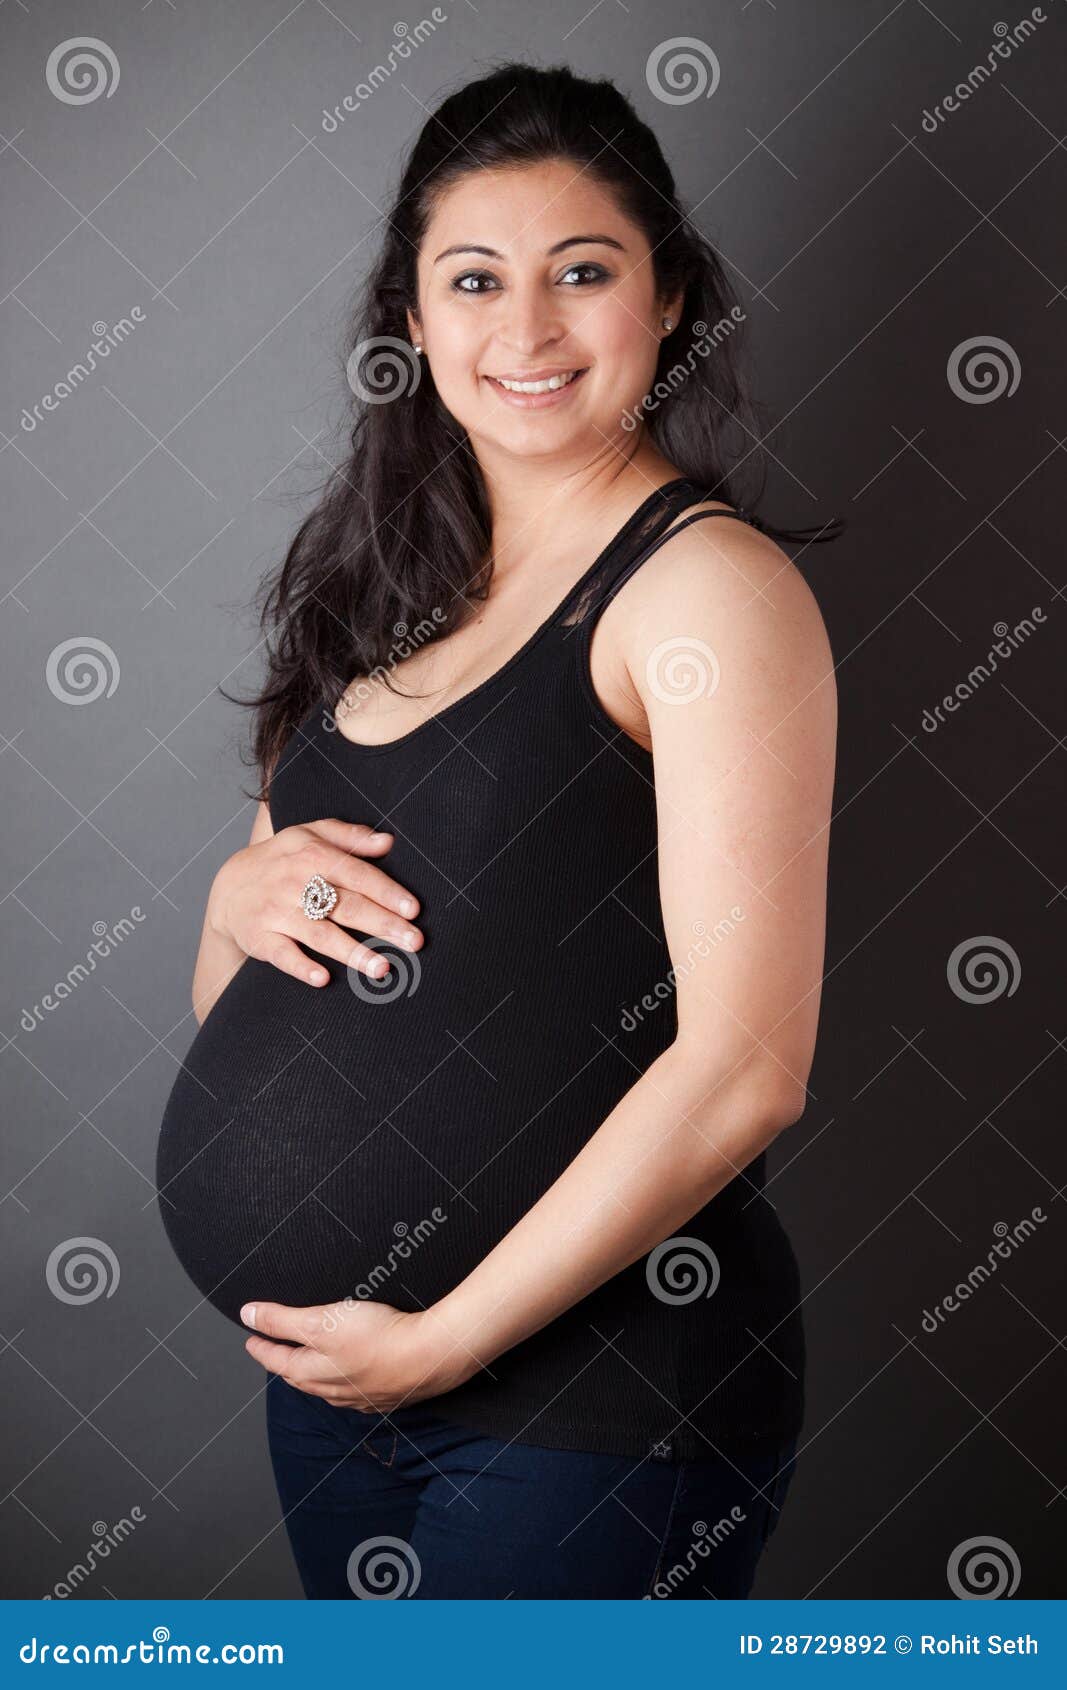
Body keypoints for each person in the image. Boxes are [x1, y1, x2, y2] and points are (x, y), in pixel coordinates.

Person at [156, 61, 840, 1600]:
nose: (524, 330)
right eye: (475, 280)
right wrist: (230, 909)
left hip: (594, 1404)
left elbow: (746, 1067)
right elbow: (286, 1012)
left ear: (667, 300)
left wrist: (446, 1337)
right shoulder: (388, 599)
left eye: (581, 272)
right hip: (347, 1394)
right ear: (412, 320)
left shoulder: (704, 596)